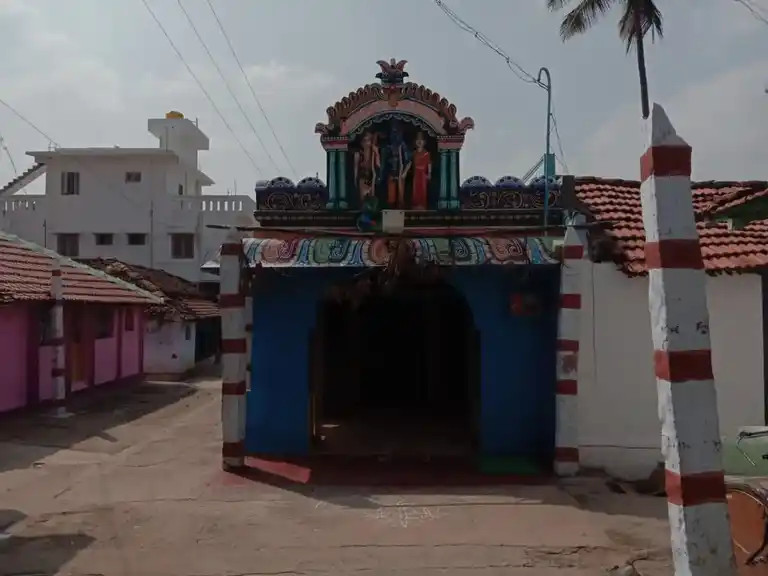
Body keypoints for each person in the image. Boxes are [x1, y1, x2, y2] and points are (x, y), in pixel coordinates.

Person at [411, 131, 431, 210]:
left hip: (423, 174)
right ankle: (415, 205)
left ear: (424, 142)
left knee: (422, 190)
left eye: (421, 140)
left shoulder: (426, 153)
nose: (419, 142)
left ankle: (422, 205)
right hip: (416, 174)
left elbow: (429, 164)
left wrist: (429, 173)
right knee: (415, 189)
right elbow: (410, 163)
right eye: (418, 140)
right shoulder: (414, 153)